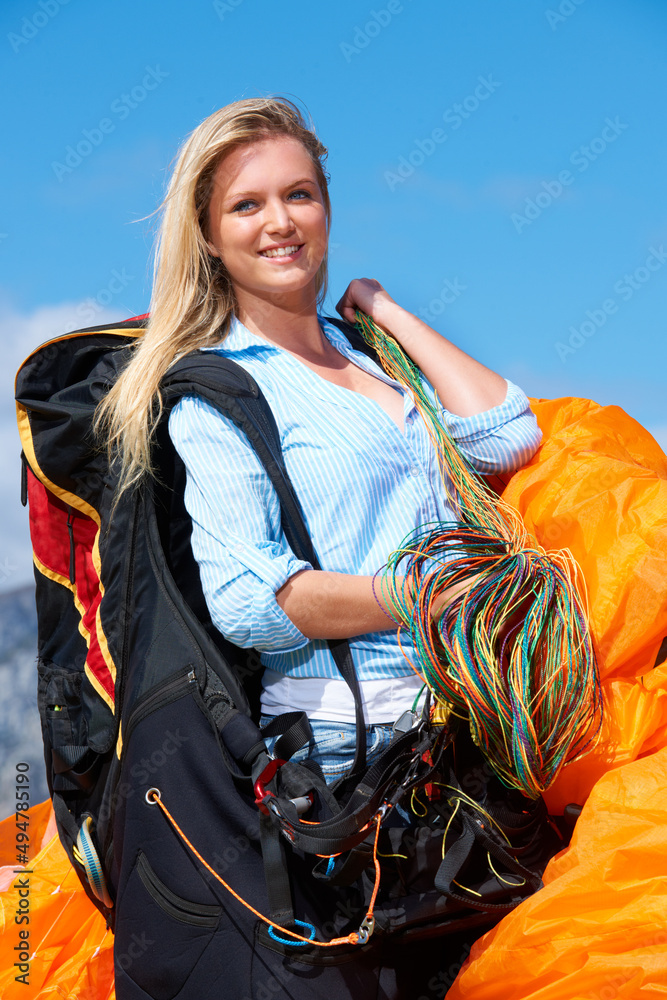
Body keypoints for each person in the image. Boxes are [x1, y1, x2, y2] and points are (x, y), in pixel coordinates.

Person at [98, 95, 542, 785]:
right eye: (247, 206)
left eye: (298, 195)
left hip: (479, 717)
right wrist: (427, 594)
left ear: (326, 210)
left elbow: (506, 436)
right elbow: (252, 601)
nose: (280, 222)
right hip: (353, 750)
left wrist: (385, 310)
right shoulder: (220, 394)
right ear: (209, 236)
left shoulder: (374, 356)